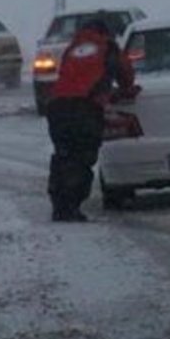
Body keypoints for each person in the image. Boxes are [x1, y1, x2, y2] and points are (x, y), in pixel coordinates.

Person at [45, 15, 138, 222]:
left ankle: (59, 204)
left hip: (57, 107)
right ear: (105, 32)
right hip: (84, 109)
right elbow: (125, 76)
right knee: (82, 157)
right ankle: (71, 207)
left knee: (63, 155)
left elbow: (72, 78)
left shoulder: (72, 49)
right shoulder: (108, 47)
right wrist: (126, 91)